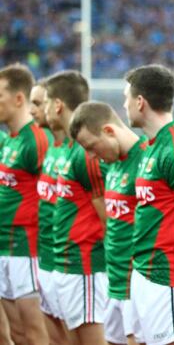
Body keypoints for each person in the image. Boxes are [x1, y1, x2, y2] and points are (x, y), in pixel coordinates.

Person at [125, 65, 174, 345]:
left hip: (170, 277)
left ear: (140, 102)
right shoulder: (152, 144)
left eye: (126, 98)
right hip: (146, 272)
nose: (124, 105)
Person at [69, 101, 148, 345]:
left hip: (138, 283)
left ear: (109, 131)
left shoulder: (145, 159)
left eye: (92, 147)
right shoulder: (111, 165)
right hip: (114, 282)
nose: (91, 156)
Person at [45, 70, 109, 344]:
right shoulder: (72, 148)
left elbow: (109, 218)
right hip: (69, 265)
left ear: (57, 105)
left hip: (86, 266)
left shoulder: (87, 153)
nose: (45, 109)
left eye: (45, 102)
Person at [0, 64, 51, 345]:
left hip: (27, 248)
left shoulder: (37, 140)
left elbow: (51, 195)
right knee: (15, 333)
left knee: (35, 332)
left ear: (18, 99)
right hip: (5, 246)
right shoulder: (10, 140)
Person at [31, 79, 71, 345]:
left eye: (40, 102)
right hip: (45, 256)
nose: (37, 110)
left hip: (69, 262)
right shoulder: (52, 148)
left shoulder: (77, 150)